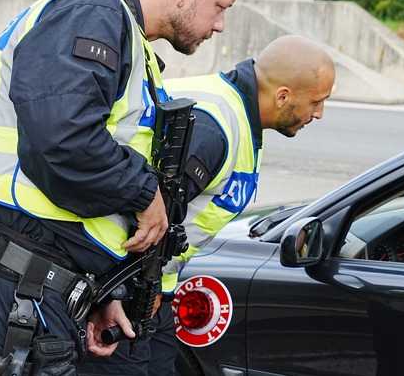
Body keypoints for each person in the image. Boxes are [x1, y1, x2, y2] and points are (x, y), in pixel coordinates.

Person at [0, 0, 247, 375]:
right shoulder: (95, 12)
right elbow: (61, 139)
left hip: (38, 286)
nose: (220, 25)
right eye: (221, 7)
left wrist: (97, 294)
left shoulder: (129, 40)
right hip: (11, 283)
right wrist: (145, 194)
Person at [77, 35, 336, 375]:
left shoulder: (235, 113)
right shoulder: (214, 128)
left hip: (150, 292)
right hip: (121, 299)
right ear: (282, 95)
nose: (319, 114)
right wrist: (115, 296)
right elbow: (137, 214)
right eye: (316, 101)